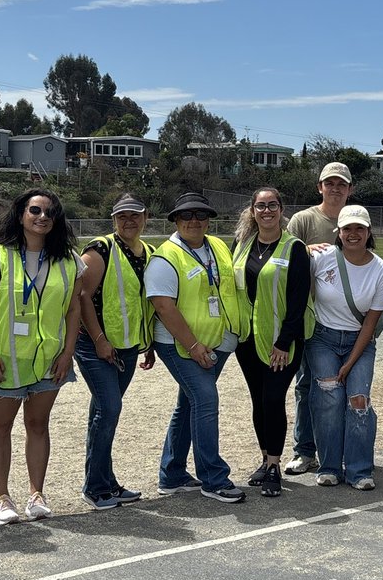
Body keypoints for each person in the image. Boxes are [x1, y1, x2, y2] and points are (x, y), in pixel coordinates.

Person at [0, 189, 84, 525]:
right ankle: (1, 498)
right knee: (1, 426)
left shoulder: (69, 260)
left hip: (50, 360)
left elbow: (73, 309)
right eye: (35, 210)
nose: (42, 217)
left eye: (50, 213)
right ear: (21, 214)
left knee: (38, 425)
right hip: (5, 359)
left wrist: (68, 354)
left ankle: (37, 493)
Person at [145, 192, 245, 504]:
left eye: (201, 215)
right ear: (175, 219)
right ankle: (213, 478)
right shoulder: (165, 257)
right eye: (186, 215)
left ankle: (172, 474)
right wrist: (193, 345)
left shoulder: (216, 246)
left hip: (215, 339)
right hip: (179, 343)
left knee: (189, 404)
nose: (194, 220)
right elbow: (163, 306)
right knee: (204, 399)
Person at [74, 193, 155, 510]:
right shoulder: (99, 250)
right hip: (96, 345)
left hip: (129, 344)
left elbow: (142, 301)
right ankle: (95, 486)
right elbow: (82, 297)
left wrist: (146, 343)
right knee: (109, 409)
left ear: (145, 217)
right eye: (122, 216)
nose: (129, 221)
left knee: (103, 411)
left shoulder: (148, 252)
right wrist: (98, 340)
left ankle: (106, 482)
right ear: (114, 220)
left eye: (134, 215)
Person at [232, 187, 312, 497]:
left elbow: (297, 301)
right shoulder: (241, 245)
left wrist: (283, 342)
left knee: (272, 399)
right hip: (248, 339)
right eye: (261, 206)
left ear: (281, 209)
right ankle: (265, 459)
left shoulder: (294, 248)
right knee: (257, 400)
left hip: (282, 341)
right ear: (252, 211)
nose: (267, 211)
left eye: (273, 205)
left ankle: (275, 465)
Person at [307, 205, 383, 490]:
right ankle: (330, 466)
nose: (353, 234)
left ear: (369, 232)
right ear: (338, 233)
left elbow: (370, 324)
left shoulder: (381, 272)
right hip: (323, 339)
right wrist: (304, 247)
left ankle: (359, 469)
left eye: (359, 228)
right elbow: (291, 261)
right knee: (329, 399)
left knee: (358, 399)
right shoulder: (321, 259)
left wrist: (350, 362)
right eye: (347, 229)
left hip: (360, 342)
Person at [283, 161, 354, 475]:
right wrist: (305, 249)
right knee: (307, 385)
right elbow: (281, 256)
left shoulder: (356, 218)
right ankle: (305, 450)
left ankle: (341, 450)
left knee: (346, 387)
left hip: (347, 319)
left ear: (349, 189)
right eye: (330, 183)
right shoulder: (304, 219)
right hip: (311, 317)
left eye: (341, 184)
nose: (336, 189)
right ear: (320, 187)